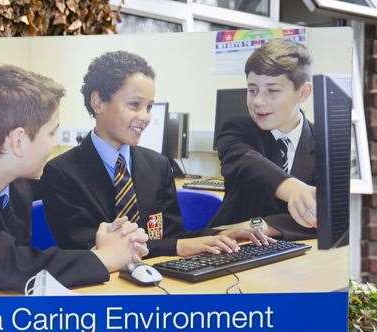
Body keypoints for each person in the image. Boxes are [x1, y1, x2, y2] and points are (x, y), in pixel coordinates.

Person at [0, 63, 149, 295]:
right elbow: (13, 266)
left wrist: (102, 246)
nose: (54, 142)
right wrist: (104, 257)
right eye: (51, 132)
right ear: (18, 141)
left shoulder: (18, 187)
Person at [42, 51, 270, 259]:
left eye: (149, 107)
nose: (145, 117)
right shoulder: (61, 173)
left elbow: (171, 237)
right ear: (98, 102)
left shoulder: (158, 165)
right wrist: (177, 247)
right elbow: (91, 251)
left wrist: (225, 233)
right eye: (134, 105)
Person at [210, 39, 318, 238]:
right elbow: (247, 163)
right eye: (252, 90)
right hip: (233, 246)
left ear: (303, 92)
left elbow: (329, 216)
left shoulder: (325, 144)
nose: (258, 101)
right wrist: (294, 189)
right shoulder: (237, 129)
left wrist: (265, 226)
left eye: (273, 90)